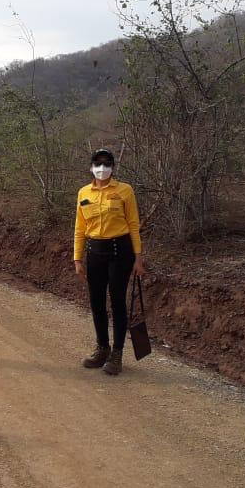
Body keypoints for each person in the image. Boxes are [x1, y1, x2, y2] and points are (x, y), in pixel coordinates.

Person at [73, 148, 146, 375]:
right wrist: (77, 258)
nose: (102, 168)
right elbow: (80, 228)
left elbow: (133, 224)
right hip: (94, 253)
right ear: (91, 166)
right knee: (96, 302)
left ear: (113, 167)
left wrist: (138, 258)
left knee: (116, 301)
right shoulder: (84, 193)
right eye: (98, 163)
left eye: (106, 164)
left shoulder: (125, 191)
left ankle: (117, 353)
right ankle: (102, 348)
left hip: (120, 252)